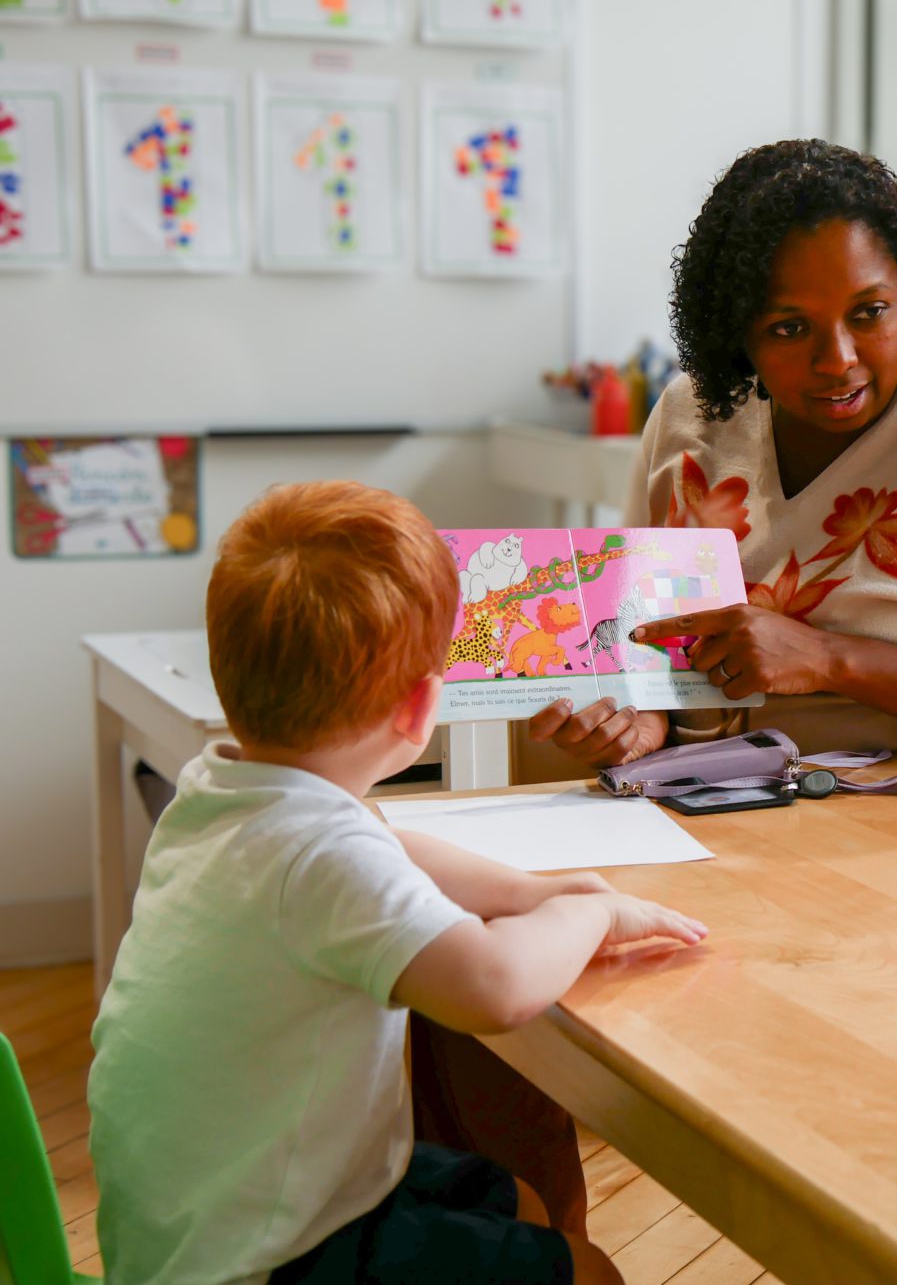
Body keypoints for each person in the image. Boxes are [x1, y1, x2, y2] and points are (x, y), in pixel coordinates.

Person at [88, 481, 706, 1285]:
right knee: (590, 1273)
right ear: (421, 710)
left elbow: (388, 843)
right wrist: (592, 912)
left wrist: (531, 893)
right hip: (268, 1258)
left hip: (205, 1207)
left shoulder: (220, 790)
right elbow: (494, 985)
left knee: (510, 1197)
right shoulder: (323, 859)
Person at [530, 138, 897, 769]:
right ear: (737, 330)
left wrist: (828, 659)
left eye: (870, 312)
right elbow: (645, 648)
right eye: (789, 327)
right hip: (702, 804)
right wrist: (643, 719)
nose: (838, 359)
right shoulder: (687, 415)